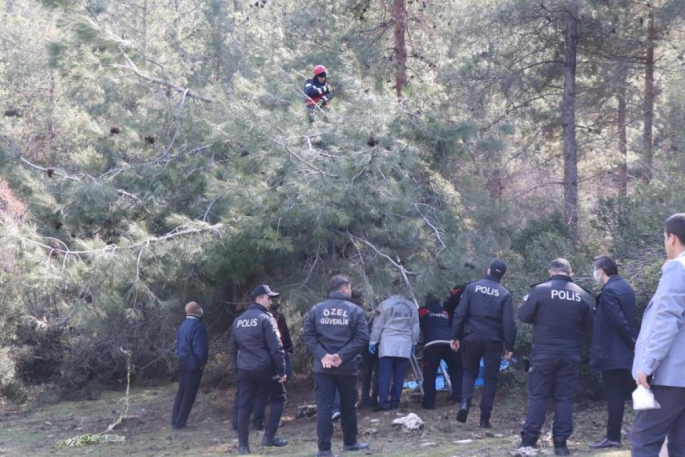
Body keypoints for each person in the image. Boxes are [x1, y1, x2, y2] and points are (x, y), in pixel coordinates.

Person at [517, 258, 594, 456]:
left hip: (544, 353)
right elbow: (589, 325)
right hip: (570, 354)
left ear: (551, 271)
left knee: (538, 396)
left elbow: (523, 316)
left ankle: (529, 442)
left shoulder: (540, 290)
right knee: (565, 398)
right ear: (570, 272)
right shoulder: (583, 295)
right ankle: (561, 444)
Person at [631, 213, 685, 457]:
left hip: (670, 375)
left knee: (645, 438)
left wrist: (648, 364)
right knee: (681, 444)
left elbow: (666, 320)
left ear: (672, 238)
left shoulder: (678, 269)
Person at [303, 274, 370, 457]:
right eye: (350, 288)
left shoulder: (316, 309)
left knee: (324, 407)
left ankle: (324, 449)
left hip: (322, 367)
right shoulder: (355, 310)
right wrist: (342, 356)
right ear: (345, 288)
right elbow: (362, 338)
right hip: (346, 367)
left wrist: (322, 356)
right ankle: (350, 442)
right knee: (348, 405)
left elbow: (308, 336)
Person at [451, 260, 515, 428]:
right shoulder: (505, 294)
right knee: (490, 378)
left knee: (469, 372)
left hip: (472, 337)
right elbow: (509, 323)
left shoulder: (472, 287)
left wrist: (455, 336)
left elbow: (460, 313)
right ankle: (485, 418)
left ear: (488, 270)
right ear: (502, 274)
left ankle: (464, 403)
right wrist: (509, 346)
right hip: (493, 340)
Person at [229, 285, 288, 455]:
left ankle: (243, 446)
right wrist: (282, 370)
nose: (271, 301)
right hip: (264, 368)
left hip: (244, 368)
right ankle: (269, 437)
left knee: (244, 405)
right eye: (269, 298)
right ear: (259, 298)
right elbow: (277, 347)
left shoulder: (238, 320)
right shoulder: (266, 318)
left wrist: (236, 370)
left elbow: (232, 349)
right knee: (279, 398)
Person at [588, 255, 637, 449]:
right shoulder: (625, 287)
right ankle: (616, 435)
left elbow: (619, 321)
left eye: (596, 269)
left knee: (614, 395)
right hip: (624, 350)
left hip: (612, 351)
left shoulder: (608, 291)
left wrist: (632, 343)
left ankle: (613, 436)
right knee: (620, 394)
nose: (595, 273)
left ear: (602, 271)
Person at [369, 293, 420, 411]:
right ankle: (395, 402)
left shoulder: (384, 305)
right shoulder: (411, 306)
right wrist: (414, 342)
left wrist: (373, 341)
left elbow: (377, 325)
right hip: (404, 344)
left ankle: (383, 403)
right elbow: (415, 327)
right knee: (399, 375)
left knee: (385, 375)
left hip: (388, 343)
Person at [251, 299, 294, 430]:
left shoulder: (275, 318)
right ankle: (270, 421)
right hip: (273, 354)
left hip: (270, 354)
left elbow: (284, 334)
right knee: (273, 391)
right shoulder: (266, 319)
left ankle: (260, 421)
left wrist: (288, 347)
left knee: (267, 390)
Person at [419, 293, 463, 409]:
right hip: (449, 342)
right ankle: (458, 398)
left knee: (429, 374)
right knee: (456, 371)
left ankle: (428, 403)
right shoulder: (445, 312)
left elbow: (419, 326)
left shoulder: (422, 310)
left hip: (432, 344)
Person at [171, 301, 208, 430]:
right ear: (196, 311)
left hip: (182, 361)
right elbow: (200, 348)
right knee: (189, 394)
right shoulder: (198, 326)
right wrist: (201, 363)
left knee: (181, 391)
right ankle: (180, 423)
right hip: (193, 363)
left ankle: (175, 420)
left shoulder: (182, 325)